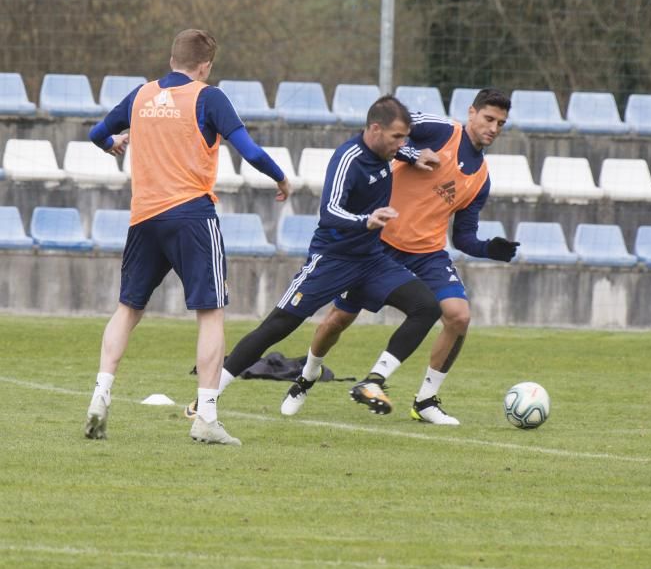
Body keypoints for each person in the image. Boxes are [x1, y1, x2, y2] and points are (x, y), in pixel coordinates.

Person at [84, 28, 291, 445]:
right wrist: (281, 177)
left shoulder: (140, 96)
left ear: (172, 57)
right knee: (211, 312)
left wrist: (113, 142)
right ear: (206, 66)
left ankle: (99, 397)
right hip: (192, 216)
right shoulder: (208, 97)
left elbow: (96, 133)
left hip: (144, 217)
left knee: (128, 308)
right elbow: (249, 151)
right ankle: (207, 418)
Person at [187, 95, 443, 422]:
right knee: (278, 326)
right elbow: (330, 211)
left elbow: (399, 151)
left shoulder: (388, 151)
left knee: (426, 306)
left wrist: (413, 154)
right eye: (397, 137)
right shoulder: (347, 158)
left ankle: (372, 380)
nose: (402, 144)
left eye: (405, 138)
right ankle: (207, 398)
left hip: (371, 260)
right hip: (332, 260)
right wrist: (366, 220)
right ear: (375, 129)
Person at [280, 88, 519, 425]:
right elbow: (392, 133)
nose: (493, 128)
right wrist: (411, 155)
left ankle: (423, 400)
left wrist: (487, 248)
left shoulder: (481, 179)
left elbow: (463, 237)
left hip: (428, 253)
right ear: (472, 113)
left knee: (458, 316)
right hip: (378, 245)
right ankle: (306, 376)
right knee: (338, 320)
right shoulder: (440, 130)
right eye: (489, 118)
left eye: (501, 123)